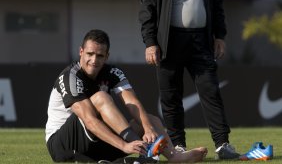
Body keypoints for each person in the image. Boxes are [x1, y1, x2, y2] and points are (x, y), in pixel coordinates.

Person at [45, 29, 208, 163]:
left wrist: (148, 128)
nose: (94, 60)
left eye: (100, 55)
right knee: (101, 97)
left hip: (94, 142)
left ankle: (174, 156)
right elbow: (89, 120)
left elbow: (132, 102)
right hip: (62, 146)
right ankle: (144, 149)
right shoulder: (70, 77)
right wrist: (124, 145)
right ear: (81, 52)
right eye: (89, 54)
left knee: (150, 120)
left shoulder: (112, 72)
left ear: (107, 56)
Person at [139, 0, 240, 160]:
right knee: (171, 96)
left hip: (201, 40)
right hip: (168, 43)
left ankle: (222, 144)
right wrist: (150, 42)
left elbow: (217, 6)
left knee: (211, 92)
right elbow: (147, 10)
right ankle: (178, 146)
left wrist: (220, 36)